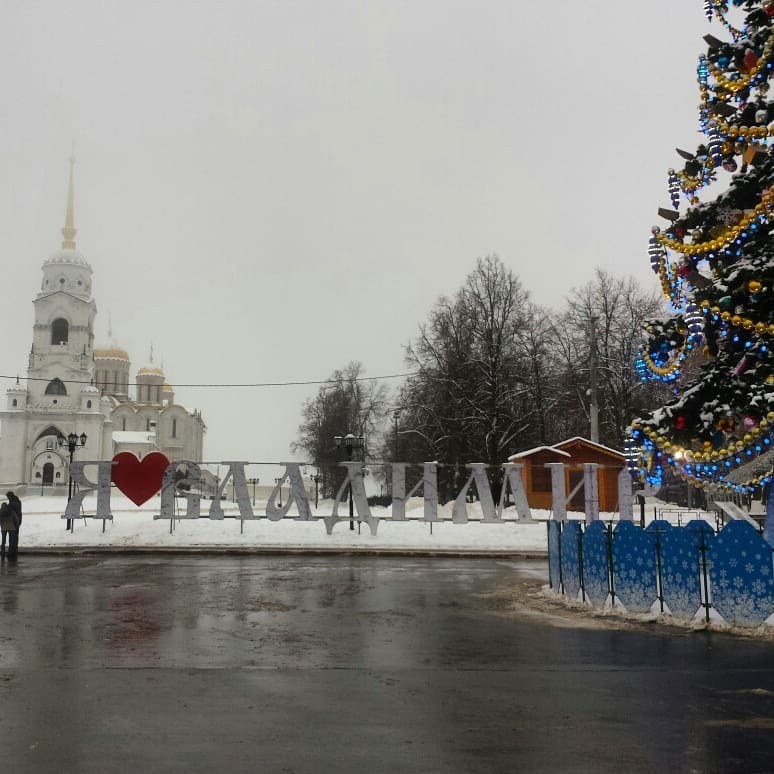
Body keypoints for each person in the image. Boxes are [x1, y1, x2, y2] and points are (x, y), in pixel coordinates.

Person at [6, 491, 21, 560]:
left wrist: (5, 507)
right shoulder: (18, 501)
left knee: (12, 538)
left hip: (12, 522)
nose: (7, 498)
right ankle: (15, 551)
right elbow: (19, 512)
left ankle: (11, 553)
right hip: (18, 521)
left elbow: (8, 512)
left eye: (8, 497)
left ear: (10, 496)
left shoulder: (12, 503)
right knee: (16, 537)